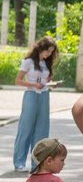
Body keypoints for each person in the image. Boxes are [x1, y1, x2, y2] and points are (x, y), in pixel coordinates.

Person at [12, 37, 61, 172]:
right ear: (41, 48)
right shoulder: (28, 62)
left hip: (44, 96)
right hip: (31, 95)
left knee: (42, 130)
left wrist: (52, 84)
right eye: (48, 51)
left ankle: (37, 163)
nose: (49, 54)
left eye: (51, 52)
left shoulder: (46, 64)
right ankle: (19, 162)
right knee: (25, 128)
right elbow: (18, 80)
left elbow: (45, 82)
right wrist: (34, 84)